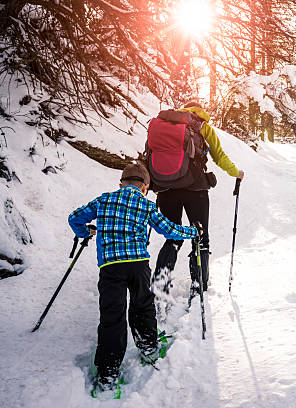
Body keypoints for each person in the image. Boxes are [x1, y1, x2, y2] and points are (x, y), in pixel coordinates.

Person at [68, 163, 199, 396]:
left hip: (110, 267)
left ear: (121, 184)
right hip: (138, 265)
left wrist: (85, 231)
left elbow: (74, 218)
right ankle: (148, 347)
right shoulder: (146, 204)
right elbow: (169, 230)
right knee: (142, 305)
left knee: (112, 316)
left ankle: (108, 374)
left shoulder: (104, 200)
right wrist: (192, 232)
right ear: (145, 187)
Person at [152, 101, 244, 299]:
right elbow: (219, 157)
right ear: (198, 110)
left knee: (173, 236)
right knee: (201, 235)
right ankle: (199, 283)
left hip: (166, 188)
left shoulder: (164, 123)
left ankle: (161, 281)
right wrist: (237, 172)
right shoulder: (202, 126)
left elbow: (150, 154)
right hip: (196, 188)